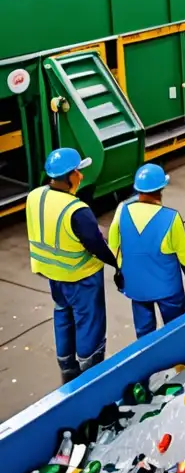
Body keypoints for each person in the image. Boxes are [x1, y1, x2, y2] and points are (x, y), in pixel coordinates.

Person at [27, 148, 118, 383]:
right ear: (70, 176)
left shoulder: (35, 196)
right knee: (89, 322)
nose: (81, 176)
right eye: (78, 172)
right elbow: (96, 245)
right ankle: (90, 372)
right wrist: (117, 265)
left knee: (63, 315)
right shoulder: (76, 210)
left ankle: (67, 367)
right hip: (81, 277)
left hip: (53, 275)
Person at [109, 164, 185, 339]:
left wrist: (121, 268)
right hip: (167, 287)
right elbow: (183, 250)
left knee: (144, 331)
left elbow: (113, 244)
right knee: (177, 327)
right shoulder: (171, 217)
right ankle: (179, 356)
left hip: (136, 285)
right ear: (161, 189)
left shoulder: (122, 211)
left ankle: (148, 359)